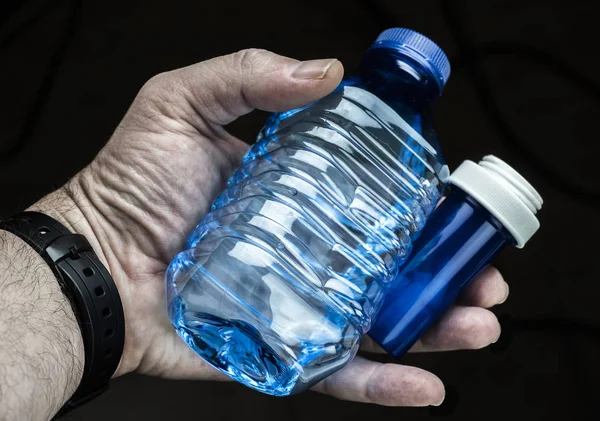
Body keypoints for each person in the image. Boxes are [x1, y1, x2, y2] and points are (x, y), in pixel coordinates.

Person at [0, 50, 508, 420]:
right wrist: (106, 232)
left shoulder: (390, 141)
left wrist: (92, 254)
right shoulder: (415, 158)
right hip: (298, 353)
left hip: (200, 295)